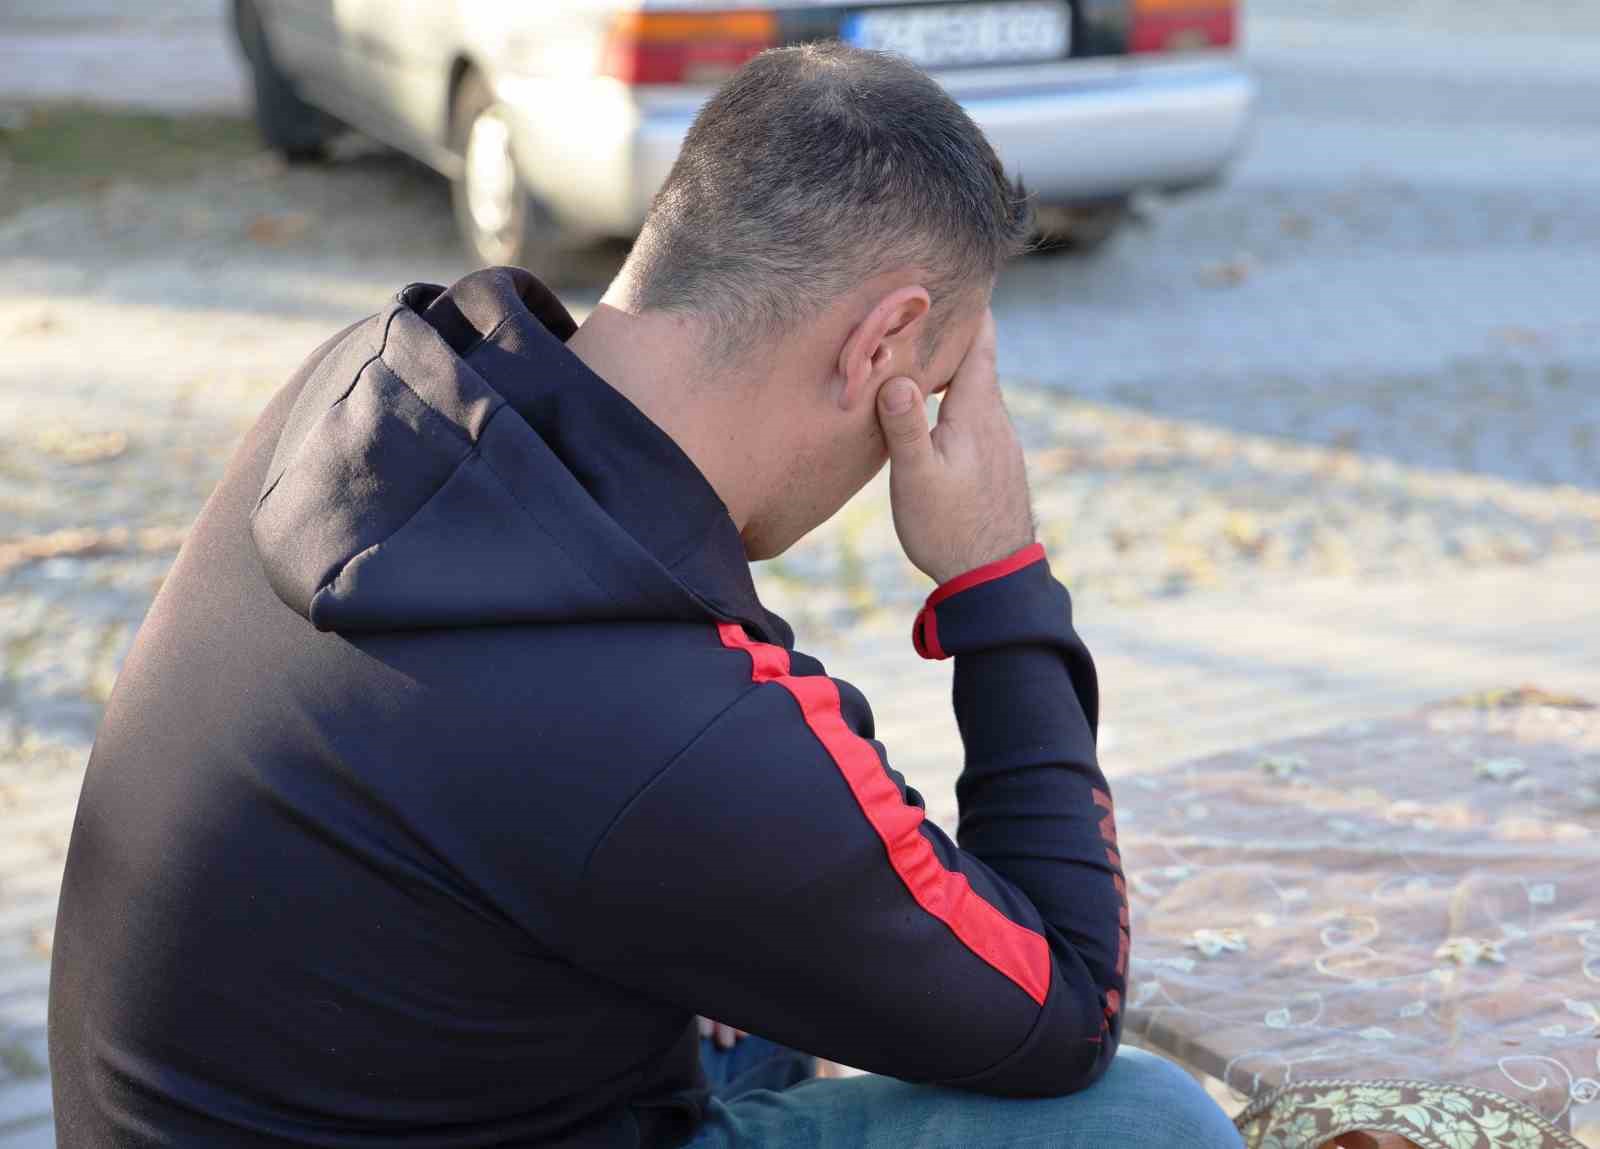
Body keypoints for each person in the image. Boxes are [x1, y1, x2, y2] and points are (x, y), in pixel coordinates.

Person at [47, 43, 1242, 1149]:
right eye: (928, 396)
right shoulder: (678, 726)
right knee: (1144, 1123)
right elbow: (1065, 1007)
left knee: (778, 977)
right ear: (880, 347)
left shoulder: (378, 385)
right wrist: (997, 574)